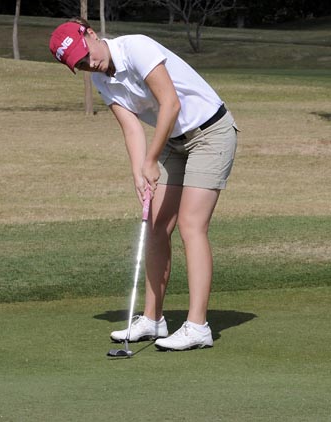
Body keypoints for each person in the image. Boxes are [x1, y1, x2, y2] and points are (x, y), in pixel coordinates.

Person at [49, 18, 238, 351]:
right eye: (79, 64)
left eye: (85, 54)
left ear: (91, 34)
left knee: (191, 226)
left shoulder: (136, 47)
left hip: (210, 132)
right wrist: (139, 171)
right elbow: (132, 129)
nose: (88, 63)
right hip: (173, 140)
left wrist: (151, 160)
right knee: (155, 225)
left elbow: (171, 103)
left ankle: (198, 326)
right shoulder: (102, 81)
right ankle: (152, 320)